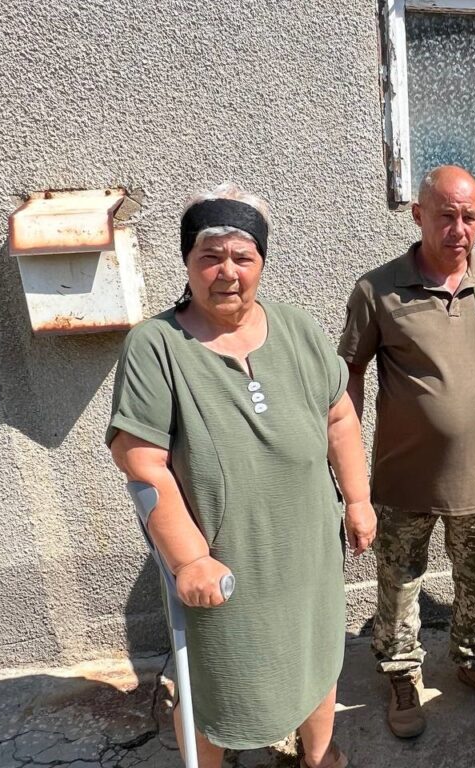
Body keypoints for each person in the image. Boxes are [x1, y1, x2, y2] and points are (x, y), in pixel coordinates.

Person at [107, 183, 376, 768]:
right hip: (227, 561)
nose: (226, 271)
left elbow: (339, 416)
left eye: (242, 256)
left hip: (309, 551)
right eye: (210, 257)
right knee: (217, 681)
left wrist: (357, 499)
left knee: (316, 655)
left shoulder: (298, 329)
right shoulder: (156, 346)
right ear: (187, 262)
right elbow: (141, 461)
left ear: (261, 263)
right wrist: (190, 560)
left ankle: (318, 755)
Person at [338, 165, 475, 738]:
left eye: (470, 216)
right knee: (399, 579)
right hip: (403, 481)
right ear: (418, 215)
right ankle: (402, 674)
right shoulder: (376, 290)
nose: (459, 228)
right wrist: (347, 461)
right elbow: (349, 374)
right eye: (446, 215)